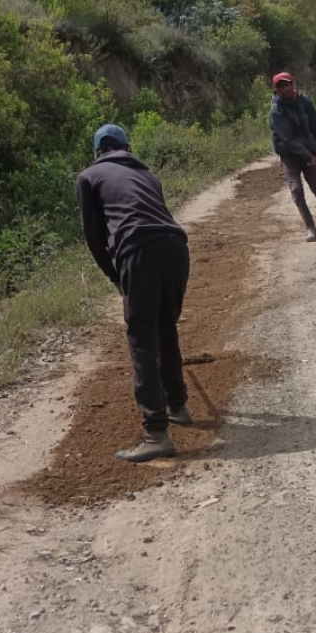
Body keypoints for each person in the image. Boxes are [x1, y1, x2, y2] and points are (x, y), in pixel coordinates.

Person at [76, 124, 191, 464]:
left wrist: (116, 276)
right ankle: (177, 406)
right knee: (165, 327)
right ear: (127, 148)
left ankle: (156, 433)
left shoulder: (89, 177)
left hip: (139, 250)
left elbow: (95, 238)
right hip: (176, 246)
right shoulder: (147, 173)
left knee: (142, 339)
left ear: (98, 152)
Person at [269, 70, 316, 242]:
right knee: (296, 190)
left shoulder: (305, 103)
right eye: (281, 86)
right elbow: (288, 139)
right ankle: (310, 227)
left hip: (308, 150)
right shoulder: (276, 111)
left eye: (288, 84)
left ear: (292, 84)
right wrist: (308, 156)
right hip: (289, 155)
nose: (286, 89)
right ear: (277, 89)